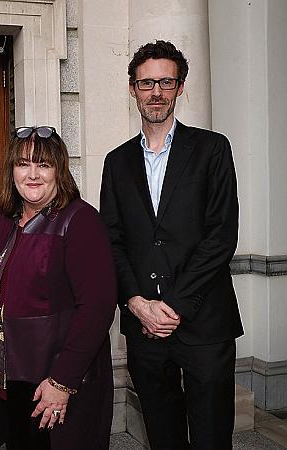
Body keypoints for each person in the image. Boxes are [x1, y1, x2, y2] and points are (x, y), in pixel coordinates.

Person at [100, 40, 243, 449]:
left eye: (165, 82)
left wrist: (175, 306)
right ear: (132, 89)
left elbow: (221, 236)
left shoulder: (213, 149)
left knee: (212, 436)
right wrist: (135, 303)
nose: (156, 92)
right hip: (144, 325)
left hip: (205, 321)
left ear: (180, 87)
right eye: (146, 83)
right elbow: (112, 239)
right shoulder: (116, 161)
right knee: (162, 435)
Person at [0, 126, 117, 450]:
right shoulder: (6, 218)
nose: (32, 174)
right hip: (12, 376)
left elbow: (97, 309)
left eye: (43, 164)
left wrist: (62, 381)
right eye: (23, 163)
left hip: (56, 381)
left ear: (59, 170)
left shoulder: (80, 220)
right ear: (11, 170)